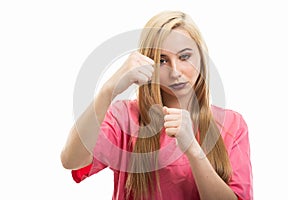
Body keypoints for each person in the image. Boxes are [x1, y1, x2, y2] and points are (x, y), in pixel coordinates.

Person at [60, 10, 253, 200]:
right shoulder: (126, 117)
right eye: (162, 60)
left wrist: (193, 149)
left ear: (201, 58)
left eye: (184, 57)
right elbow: (71, 160)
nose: (175, 71)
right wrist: (108, 89)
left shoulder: (232, 124)